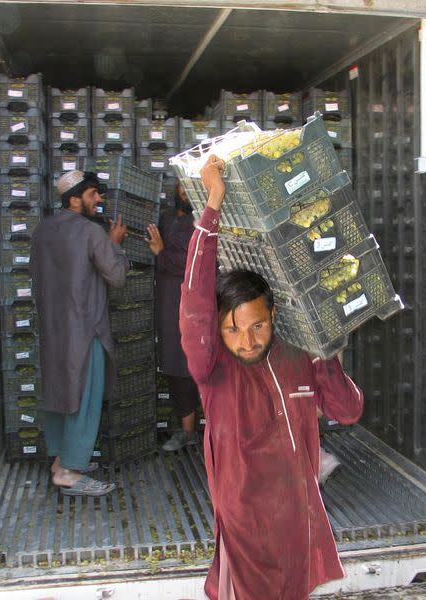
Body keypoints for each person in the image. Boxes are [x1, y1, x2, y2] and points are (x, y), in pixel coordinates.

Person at [180, 156, 364, 600]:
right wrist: (213, 207)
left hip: (297, 514)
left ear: (274, 316)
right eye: (232, 328)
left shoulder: (296, 354)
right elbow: (195, 300)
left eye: (257, 325)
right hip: (245, 519)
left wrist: (327, 353)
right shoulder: (213, 369)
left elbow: (347, 410)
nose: (246, 340)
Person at [30, 170, 130, 497]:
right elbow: (116, 277)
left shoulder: (42, 231)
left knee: (60, 391)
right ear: (74, 199)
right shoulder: (91, 233)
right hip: (87, 330)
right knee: (85, 397)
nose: (98, 200)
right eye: (92, 195)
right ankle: (70, 471)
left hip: (54, 330)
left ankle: (61, 460)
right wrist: (115, 245)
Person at [146, 182, 201, 451]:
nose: (186, 193)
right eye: (182, 187)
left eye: (192, 188)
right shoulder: (165, 218)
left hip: (197, 305)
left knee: (200, 365)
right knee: (174, 365)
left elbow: (199, 261)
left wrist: (161, 253)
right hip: (168, 305)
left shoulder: (204, 220)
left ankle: (216, 429)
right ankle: (187, 430)